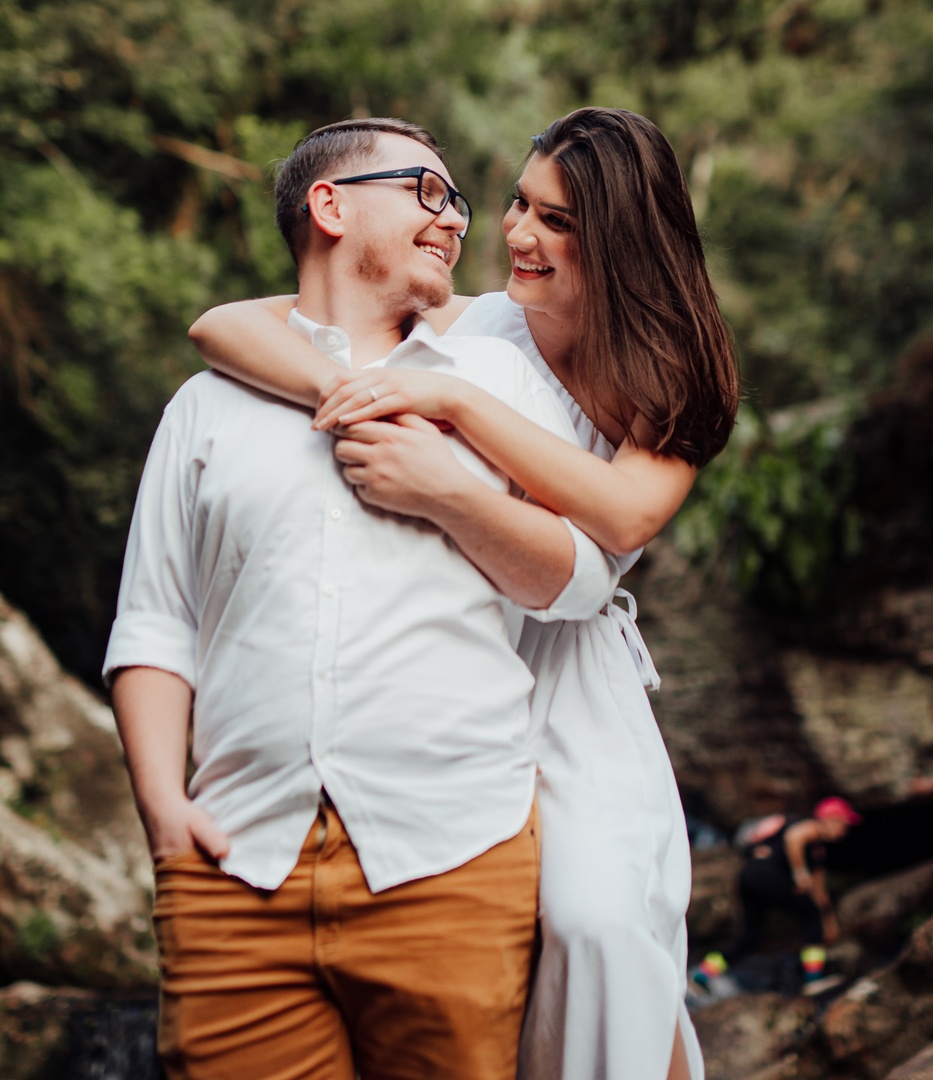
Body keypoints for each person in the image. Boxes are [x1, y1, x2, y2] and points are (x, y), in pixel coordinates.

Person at [191, 106, 741, 1080]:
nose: (519, 234)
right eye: (520, 205)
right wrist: (343, 393)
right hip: (441, 660)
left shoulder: (670, 377)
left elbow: (620, 517)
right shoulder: (475, 321)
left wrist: (449, 402)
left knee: (597, 922)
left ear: (619, 238)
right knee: (485, 946)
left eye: (557, 221)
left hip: (567, 677)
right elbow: (222, 325)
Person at [104, 117, 625, 1080]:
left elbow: (579, 583)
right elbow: (155, 622)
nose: (456, 220)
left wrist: (449, 495)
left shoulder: (500, 382)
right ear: (329, 206)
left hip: (455, 856)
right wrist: (162, 812)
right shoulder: (205, 405)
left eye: (457, 202)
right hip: (233, 867)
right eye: (427, 191)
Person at [694, 797, 863, 996]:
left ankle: (702, 974)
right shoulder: (809, 828)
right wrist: (800, 873)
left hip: (748, 877)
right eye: (844, 824)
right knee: (811, 915)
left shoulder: (817, 851)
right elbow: (794, 838)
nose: (844, 830)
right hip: (764, 876)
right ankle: (813, 979)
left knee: (751, 938)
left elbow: (818, 890)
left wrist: (828, 920)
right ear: (831, 819)